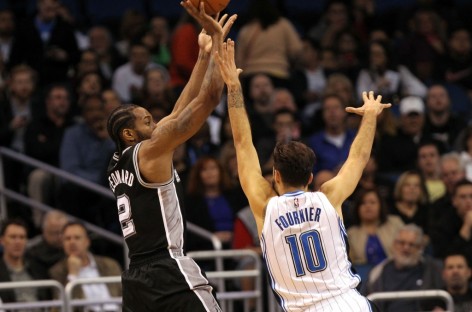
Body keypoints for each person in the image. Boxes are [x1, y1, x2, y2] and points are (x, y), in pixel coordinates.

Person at [215, 38, 390, 311]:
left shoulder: (264, 206)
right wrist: (369, 116)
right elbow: (358, 157)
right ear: (311, 177)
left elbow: (242, 143)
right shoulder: (329, 197)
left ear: (275, 176)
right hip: (349, 304)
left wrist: (234, 86)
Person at [106, 2, 236, 311]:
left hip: (136, 279)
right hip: (168, 271)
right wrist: (217, 42)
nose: (157, 122)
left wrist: (202, 54)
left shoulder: (117, 164)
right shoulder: (150, 152)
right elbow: (209, 98)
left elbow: (179, 111)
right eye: (148, 121)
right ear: (129, 134)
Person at [364, 224, 444, 311]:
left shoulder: (433, 269)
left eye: (411, 244)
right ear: (394, 244)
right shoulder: (378, 271)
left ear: (420, 248)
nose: (406, 248)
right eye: (402, 243)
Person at [49, 221, 122, 312]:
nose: (72, 242)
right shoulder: (57, 271)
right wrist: (72, 275)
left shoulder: (110, 264)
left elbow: (126, 295)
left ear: (87, 241)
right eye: (67, 239)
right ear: (63, 243)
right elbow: (61, 307)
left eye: (77, 238)